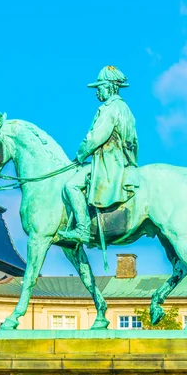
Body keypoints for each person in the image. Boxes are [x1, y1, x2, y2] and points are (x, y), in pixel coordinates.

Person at [58, 66, 138, 243]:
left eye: (99, 87)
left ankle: (83, 229)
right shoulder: (126, 110)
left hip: (108, 162)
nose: (97, 92)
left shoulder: (109, 108)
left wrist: (80, 155)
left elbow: (96, 137)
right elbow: (134, 142)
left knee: (71, 185)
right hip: (123, 162)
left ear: (109, 86)